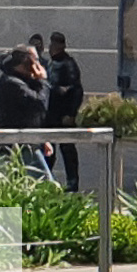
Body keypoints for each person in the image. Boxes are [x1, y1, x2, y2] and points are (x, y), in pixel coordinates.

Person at [0, 44, 56, 179]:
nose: (40, 64)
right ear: (27, 62)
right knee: (46, 187)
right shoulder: (12, 83)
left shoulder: (23, 81)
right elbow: (38, 103)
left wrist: (41, 139)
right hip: (20, 144)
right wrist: (42, 81)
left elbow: (31, 116)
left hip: (28, 141)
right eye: (36, 60)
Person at [45, 32, 86, 192]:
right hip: (51, 114)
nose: (51, 48)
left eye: (55, 45)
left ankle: (72, 183)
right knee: (49, 149)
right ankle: (46, 180)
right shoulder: (51, 63)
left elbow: (76, 90)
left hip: (63, 115)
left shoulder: (68, 64)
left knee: (67, 149)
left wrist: (71, 113)